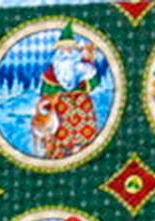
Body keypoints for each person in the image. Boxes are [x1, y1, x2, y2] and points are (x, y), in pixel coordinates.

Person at [30, 22, 102, 160]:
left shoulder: (82, 67)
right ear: (59, 50)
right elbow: (46, 90)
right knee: (61, 127)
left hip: (81, 102)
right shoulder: (52, 70)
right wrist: (51, 99)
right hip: (61, 104)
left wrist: (86, 84)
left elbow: (93, 80)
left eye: (70, 48)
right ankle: (61, 153)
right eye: (64, 49)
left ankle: (84, 150)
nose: (67, 51)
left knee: (86, 125)